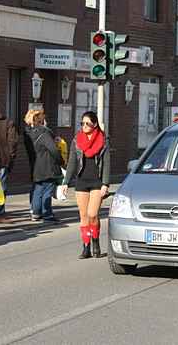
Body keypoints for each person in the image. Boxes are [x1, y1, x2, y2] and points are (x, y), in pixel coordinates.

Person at [61, 111, 109, 259]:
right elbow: (72, 163)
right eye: (82, 123)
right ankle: (86, 246)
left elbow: (106, 163)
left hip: (97, 182)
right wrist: (65, 182)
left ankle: (96, 242)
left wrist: (105, 183)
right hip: (81, 181)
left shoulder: (103, 140)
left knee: (92, 214)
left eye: (87, 123)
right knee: (83, 216)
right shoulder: (77, 140)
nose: (84, 126)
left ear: (94, 124)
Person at [25, 110, 63, 222]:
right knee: (47, 189)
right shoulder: (44, 133)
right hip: (47, 166)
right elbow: (53, 150)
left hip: (35, 165)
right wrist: (60, 160)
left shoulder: (28, 133)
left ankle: (35, 213)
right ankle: (47, 214)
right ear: (42, 120)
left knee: (38, 189)